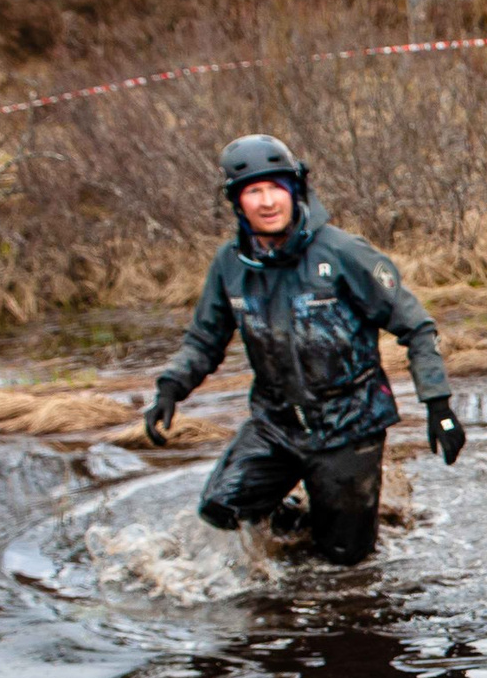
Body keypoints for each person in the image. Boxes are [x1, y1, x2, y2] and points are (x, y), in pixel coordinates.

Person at [142, 134, 466, 567]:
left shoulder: (343, 252)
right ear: (237, 202)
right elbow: (204, 339)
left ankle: (336, 526)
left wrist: (438, 405)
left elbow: (417, 327)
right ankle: (293, 529)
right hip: (274, 424)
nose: (267, 200)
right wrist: (170, 389)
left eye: (276, 186)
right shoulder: (230, 264)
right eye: (253, 191)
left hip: (349, 428)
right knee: (221, 510)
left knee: (345, 563)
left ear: (296, 190)